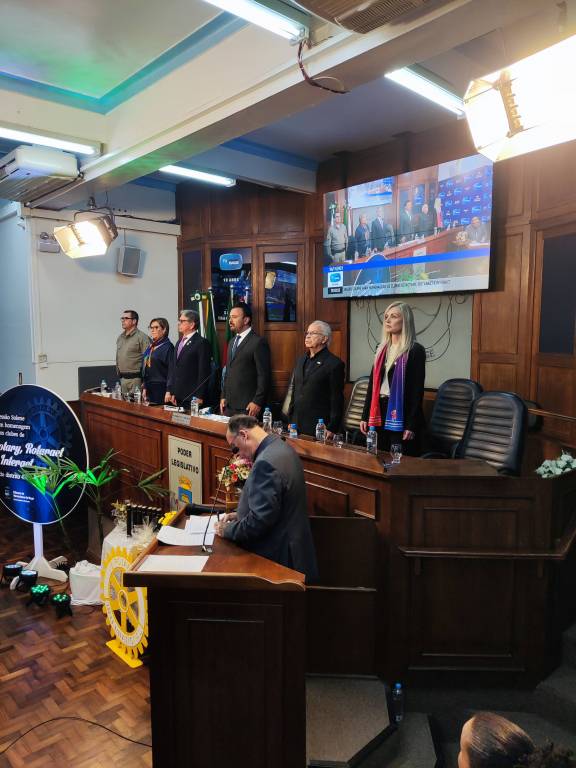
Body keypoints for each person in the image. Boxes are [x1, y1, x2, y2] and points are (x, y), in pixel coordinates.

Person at [214, 415, 318, 580]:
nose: (237, 456)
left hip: (279, 561)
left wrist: (226, 530)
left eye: (235, 448)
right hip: (294, 551)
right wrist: (240, 515)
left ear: (244, 435)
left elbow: (259, 522)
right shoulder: (281, 446)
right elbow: (275, 507)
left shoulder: (265, 463)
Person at [360, 301, 425, 455]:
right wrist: (365, 416)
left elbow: (416, 391)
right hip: (379, 409)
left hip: (400, 411)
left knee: (396, 459)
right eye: (386, 317)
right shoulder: (381, 348)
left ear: (405, 320)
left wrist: (411, 425)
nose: (388, 320)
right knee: (376, 455)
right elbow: (372, 385)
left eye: (394, 316)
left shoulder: (415, 350)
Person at [287, 321, 345, 438]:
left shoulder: (334, 364)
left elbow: (336, 399)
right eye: (307, 333)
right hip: (296, 424)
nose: (307, 336)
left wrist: (332, 427)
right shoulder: (301, 360)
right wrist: (290, 418)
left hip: (319, 426)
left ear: (324, 339)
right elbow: (295, 391)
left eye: (313, 333)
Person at [220, 302, 271, 418]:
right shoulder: (231, 342)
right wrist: (223, 396)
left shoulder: (258, 342)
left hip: (248, 407)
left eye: (234, 317)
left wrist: (257, 401)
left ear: (246, 320)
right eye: (229, 317)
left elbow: (264, 376)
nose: (230, 321)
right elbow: (227, 373)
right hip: (229, 406)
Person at [165, 310, 211, 408]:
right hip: (176, 396)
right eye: (179, 320)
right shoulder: (179, 342)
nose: (179, 323)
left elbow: (204, 372)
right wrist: (170, 391)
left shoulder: (201, 343)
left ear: (192, 324)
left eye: (182, 321)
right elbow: (173, 368)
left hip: (192, 397)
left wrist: (199, 396)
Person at [116, 310, 150, 396]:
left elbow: (148, 360)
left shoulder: (142, 337)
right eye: (122, 318)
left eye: (126, 318)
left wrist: (145, 382)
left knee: (136, 403)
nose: (123, 320)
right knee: (123, 403)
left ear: (134, 321)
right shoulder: (120, 337)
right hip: (123, 379)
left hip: (136, 380)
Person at [142, 317, 174, 405]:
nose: (153, 330)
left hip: (161, 388)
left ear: (164, 330)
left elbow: (171, 371)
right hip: (149, 387)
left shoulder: (168, 347)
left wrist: (169, 391)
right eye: (151, 327)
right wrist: (145, 387)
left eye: (156, 327)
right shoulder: (151, 346)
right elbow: (146, 368)